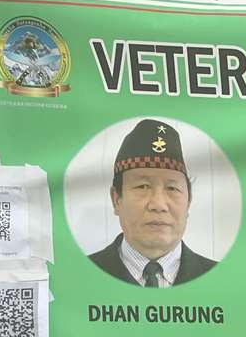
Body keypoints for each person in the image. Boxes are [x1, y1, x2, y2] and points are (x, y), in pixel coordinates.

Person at [89, 119, 218, 286]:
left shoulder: (224, 280)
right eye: (143, 186)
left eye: (172, 188)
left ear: (188, 202)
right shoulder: (78, 275)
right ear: (116, 199)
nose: (158, 205)